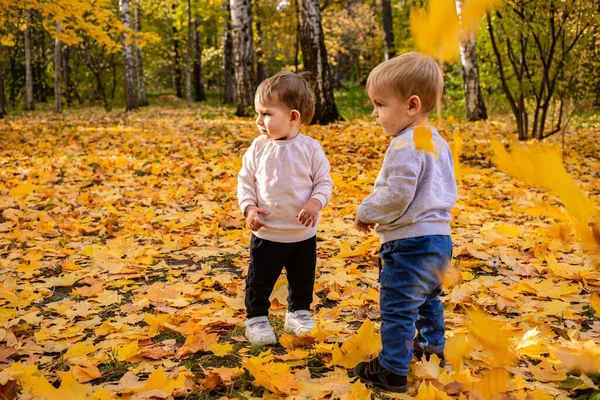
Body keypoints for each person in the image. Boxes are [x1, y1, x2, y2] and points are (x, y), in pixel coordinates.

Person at [353, 52, 458, 393]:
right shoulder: (437, 141)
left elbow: (396, 195)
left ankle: (392, 368)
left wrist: (366, 211)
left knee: (397, 307)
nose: (375, 113)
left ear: (411, 104)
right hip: (440, 240)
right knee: (428, 299)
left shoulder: (404, 144)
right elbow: (446, 188)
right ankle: (432, 348)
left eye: (380, 105)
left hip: (409, 243)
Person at [237, 71, 333, 346]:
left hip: (302, 234)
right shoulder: (258, 148)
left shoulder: (310, 149)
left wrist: (315, 203)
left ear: (293, 117)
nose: (258, 121)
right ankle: (255, 319)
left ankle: (298, 313)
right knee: (260, 280)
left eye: (266, 113)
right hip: (268, 233)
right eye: (258, 113)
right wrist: (249, 209)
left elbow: (323, 182)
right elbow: (245, 180)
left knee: (302, 279)